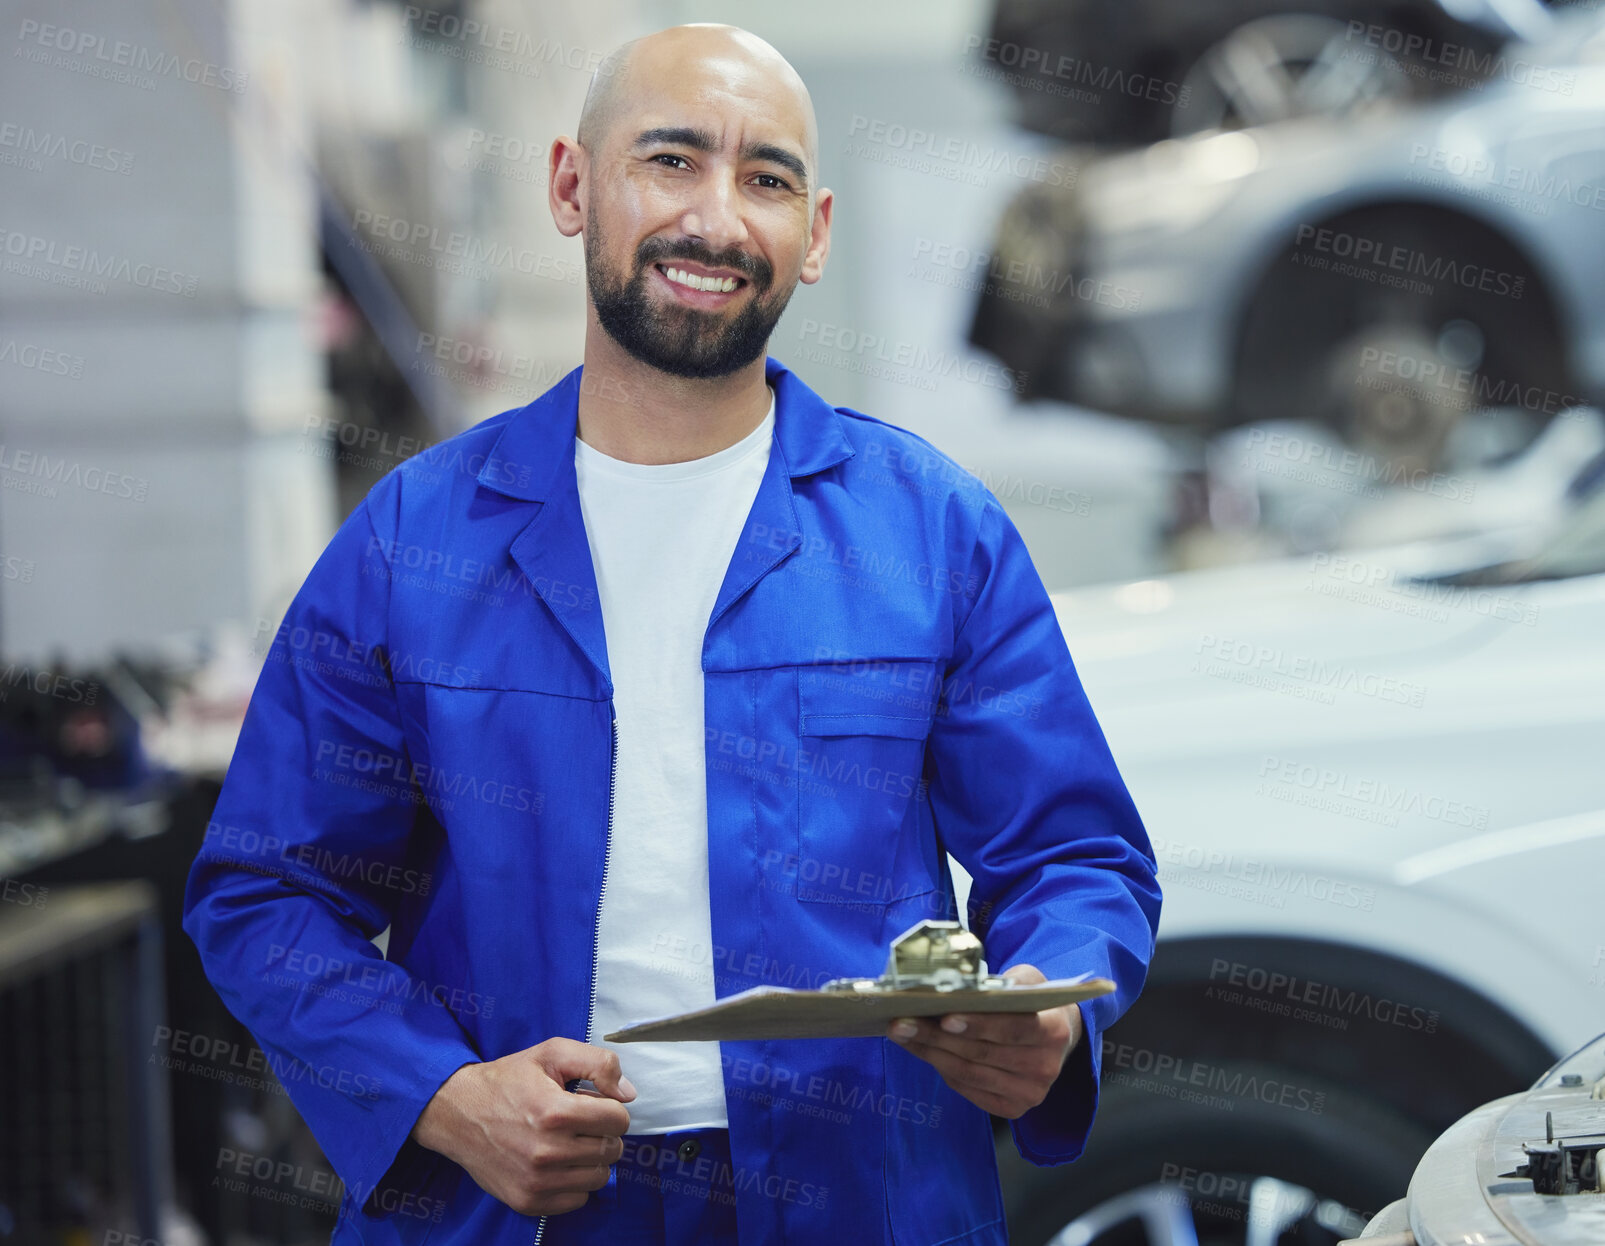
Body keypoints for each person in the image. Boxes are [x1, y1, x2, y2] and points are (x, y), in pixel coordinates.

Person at [183, 23, 1161, 1246]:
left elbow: (1075, 854)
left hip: (856, 1193)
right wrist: (441, 1095)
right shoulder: (414, 543)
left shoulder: (930, 530)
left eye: (767, 179)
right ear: (570, 186)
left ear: (815, 236)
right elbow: (265, 889)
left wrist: (1047, 1009)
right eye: (671, 160)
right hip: (519, 1199)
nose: (717, 218)